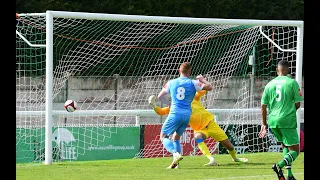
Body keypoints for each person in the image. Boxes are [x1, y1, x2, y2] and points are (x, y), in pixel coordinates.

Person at [149, 87, 248, 167]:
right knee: (197, 138)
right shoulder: (176, 107)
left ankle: (235, 158)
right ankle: (211, 160)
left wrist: (201, 83)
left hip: (211, 124)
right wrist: (153, 105)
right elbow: (161, 112)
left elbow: (203, 91)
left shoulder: (193, 99)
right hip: (199, 129)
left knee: (229, 146)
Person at [156, 62, 213, 169]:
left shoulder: (171, 82)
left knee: (163, 137)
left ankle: (175, 153)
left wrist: (169, 103)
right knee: (176, 138)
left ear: (179, 71)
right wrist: (202, 80)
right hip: (187, 115)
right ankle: (176, 164)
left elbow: (160, 96)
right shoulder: (193, 83)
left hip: (175, 113)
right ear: (190, 71)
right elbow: (209, 87)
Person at [258, 60, 303, 180]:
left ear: (277, 70)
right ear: (288, 70)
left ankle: (289, 175)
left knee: (285, 147)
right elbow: (298, 104)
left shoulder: (269, 85)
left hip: (273, 121)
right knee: (295, 151)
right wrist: (287, 110)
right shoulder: (292, 83)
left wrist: (263, 124)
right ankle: (279, 166)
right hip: (287, 120)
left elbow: (263, 106)